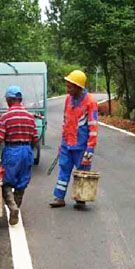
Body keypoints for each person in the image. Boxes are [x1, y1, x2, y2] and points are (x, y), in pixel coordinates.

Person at [0, 85, 38, 226]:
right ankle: (16, 208)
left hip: (12, 151)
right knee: (22, 183)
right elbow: (35, 139)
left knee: (6, 182)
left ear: (9, 100)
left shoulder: (6, 117)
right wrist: (28, 150)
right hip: (27, 151)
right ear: (20, 100)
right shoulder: (30, 117)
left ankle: (12, 208)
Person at [50, 69, 99, 209]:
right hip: (67, 144)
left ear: (78, 87)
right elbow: (66, 122)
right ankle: (59, 197)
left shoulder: (90, 102)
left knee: (82, 172)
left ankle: (81, 198)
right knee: (63, 169)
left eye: (70, 87)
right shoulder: (68, 99)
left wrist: (90, 148)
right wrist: (62, 143)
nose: (67, 89)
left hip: (82, 146)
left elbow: (93, 127)